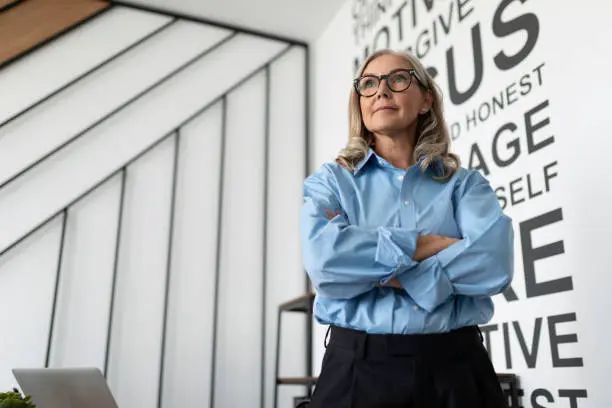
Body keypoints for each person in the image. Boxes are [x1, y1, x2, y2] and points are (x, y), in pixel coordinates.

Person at [299, 49, 514, 408]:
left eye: (397, 79)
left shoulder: (464, 185)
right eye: (368, 84)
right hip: (357, 370)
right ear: (360, 103)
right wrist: (424, 244)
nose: (381, 91)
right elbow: (324, 262)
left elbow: (494, 263)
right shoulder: (332, 182)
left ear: (426, 99)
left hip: (458, 369)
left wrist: (378, 270)